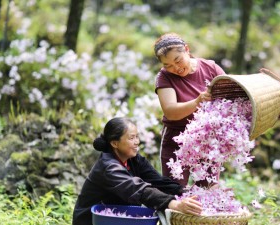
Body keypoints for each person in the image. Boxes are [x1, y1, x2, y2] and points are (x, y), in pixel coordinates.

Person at [72, 117, 202, 225]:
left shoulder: (134, 159)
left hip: (115, 218)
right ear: (115, 143)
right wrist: (175, 204)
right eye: (131, 138)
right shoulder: (108, 167)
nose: (137, 142)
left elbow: (159, 182)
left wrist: (188, 193)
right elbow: (138, 189)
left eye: (137, 137)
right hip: (91, 220)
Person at [154, 32, 226, 187]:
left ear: (187, 49)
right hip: (176, 137)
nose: (175, 68)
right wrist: (197, 101)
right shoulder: (164, 77)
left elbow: (231, 96)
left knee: (208, 188)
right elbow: (170, 111)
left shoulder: (211, 68)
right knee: (174, 189)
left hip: (207, 138)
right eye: (168, 65)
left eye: (178, 61)